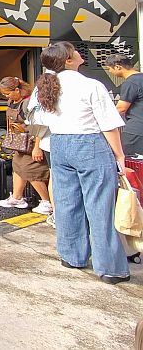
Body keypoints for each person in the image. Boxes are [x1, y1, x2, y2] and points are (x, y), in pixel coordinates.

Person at [36, 41, 130, 284]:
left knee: (67, 202)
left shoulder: (46, 88)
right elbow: (108, 124)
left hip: (59, 145)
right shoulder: (90, 85)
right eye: (75, 51)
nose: (79, 53)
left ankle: (71, 256)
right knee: (100, 205)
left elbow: (42, 120)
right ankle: (109, 268)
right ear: (69, 59)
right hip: (89, 144)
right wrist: (119, 156)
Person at [0, 76, 53, 215]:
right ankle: (17, 198)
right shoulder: (13, 101)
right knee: (17, 167)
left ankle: (47, 203)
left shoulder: (28, 104)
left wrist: (37, 147)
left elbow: (40, 125)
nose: (6, 96)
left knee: (31, 171)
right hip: (20, 142)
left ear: (17, 90)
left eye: (7, 93)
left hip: (32, 142)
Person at [106, 54, 143, 156]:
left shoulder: (131, 82)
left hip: (136, 132)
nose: (110, 71)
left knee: (132, 164)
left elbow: (121, 108)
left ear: (118, 66)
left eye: (109, 68)